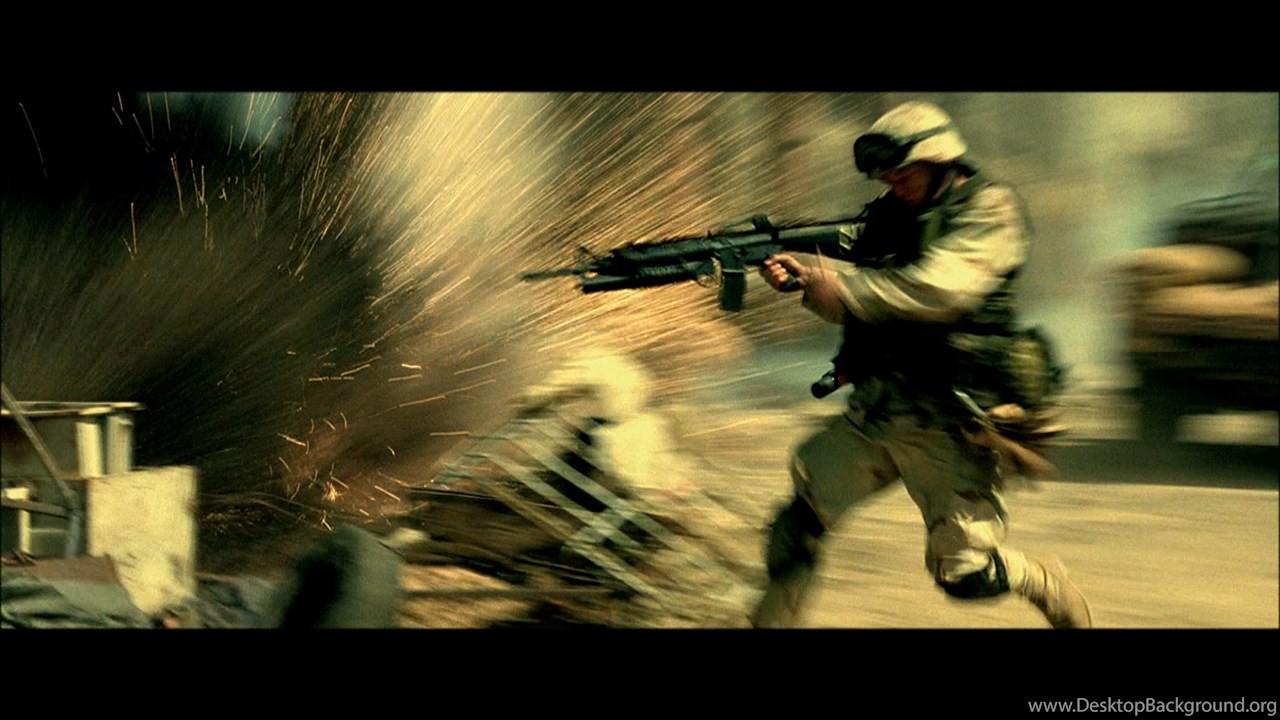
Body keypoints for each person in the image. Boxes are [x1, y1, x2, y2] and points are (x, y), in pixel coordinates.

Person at [750, 100, 1093, 629]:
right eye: (887, 176)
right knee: (795, 530)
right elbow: (858, 292)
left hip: (949, 422)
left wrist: (842, 290)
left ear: (940, 160)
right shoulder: (889, 217)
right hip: (879, 411)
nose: (894, 183)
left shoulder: (991, 210)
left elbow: (940, 291)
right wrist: (804, 281)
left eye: (903, 172)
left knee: (965, 574)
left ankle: (1040, 578)